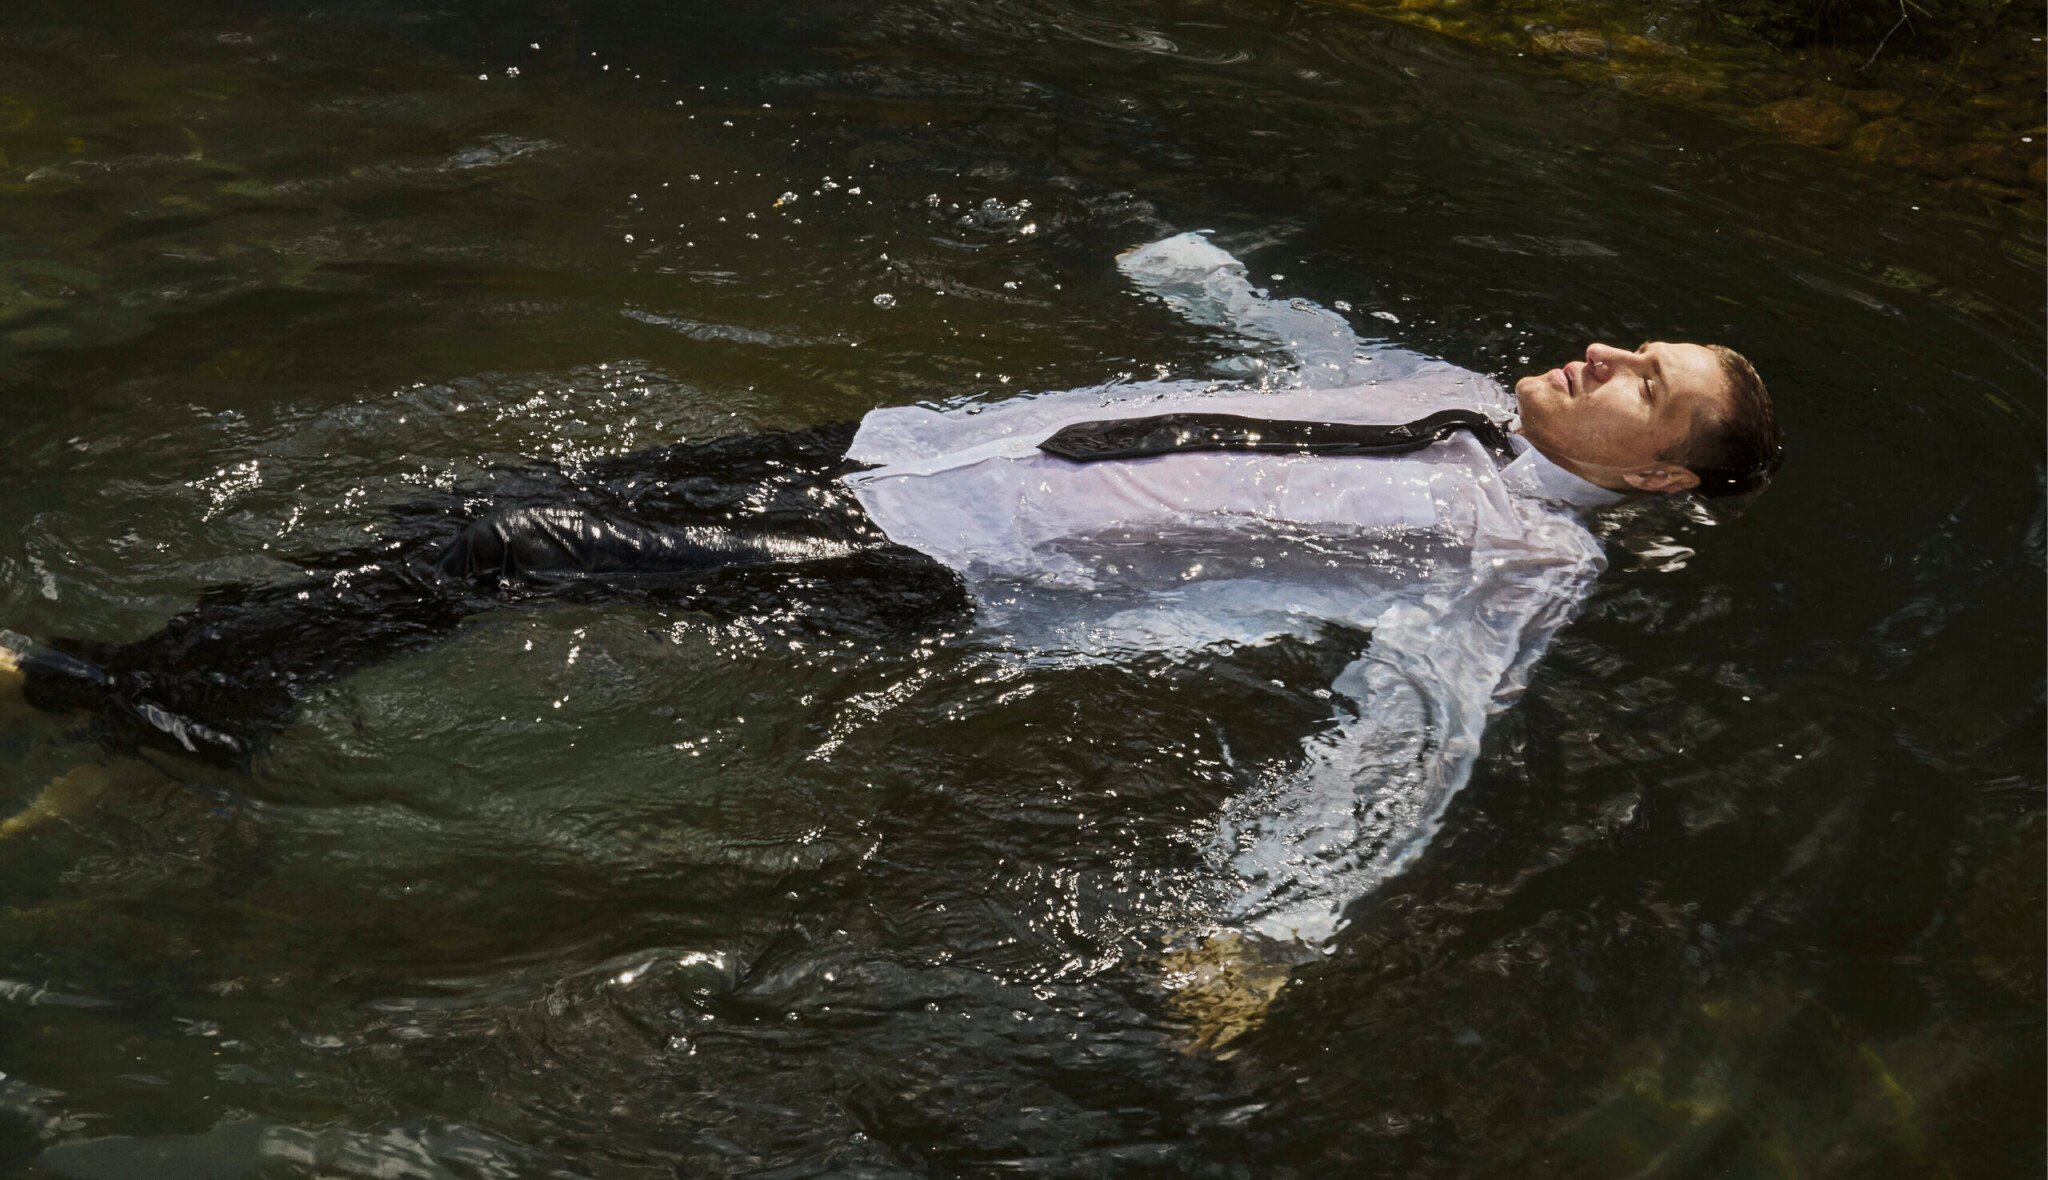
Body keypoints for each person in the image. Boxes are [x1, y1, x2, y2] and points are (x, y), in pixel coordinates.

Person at [0, 233, 1780, 959]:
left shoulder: (1528, 550)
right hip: (908, 445)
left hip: (948, 564)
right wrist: (1191, 261)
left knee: (513, 553)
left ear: (1658, 477)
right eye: (1635, 346)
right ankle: (213, 679)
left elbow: (1424, 718)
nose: (1611, 354)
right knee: (481, 507)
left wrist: (1273, 914)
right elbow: (1296, 355)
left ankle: (170, 700)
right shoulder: (1446, 377)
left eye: (1648, 381)